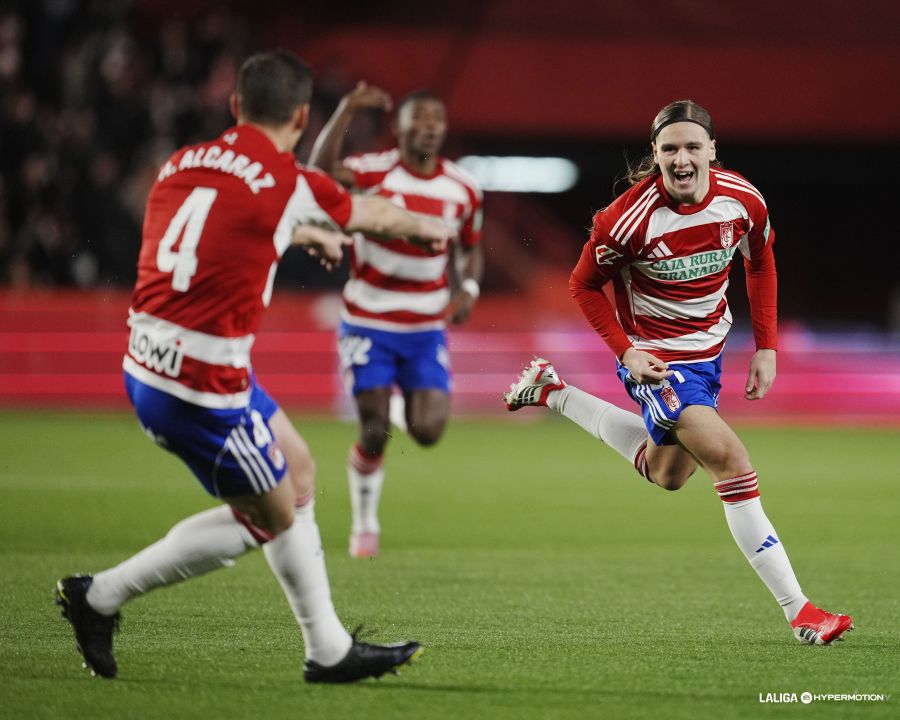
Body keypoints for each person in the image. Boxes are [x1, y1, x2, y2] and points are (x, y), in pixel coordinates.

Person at [54, 49, 453, 682]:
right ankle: (100, 596)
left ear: (236, 105)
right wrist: (426, 229)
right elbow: (374, 213)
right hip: (201, 390)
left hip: (153, 360)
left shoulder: (182, 161)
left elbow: (219, 225)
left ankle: (326, 646)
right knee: (272, 515)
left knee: (298, 469)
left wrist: (301, 232)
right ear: (302, 116)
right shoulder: (288, 180)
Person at [503, 100, 853, 645]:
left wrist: (766, 346)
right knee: (731, 462)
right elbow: (582, 284)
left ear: (712, 149)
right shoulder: (626, 220)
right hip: (658, 362)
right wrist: (627, 354)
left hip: (708, 355)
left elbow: (760, 261)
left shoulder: (743, 200)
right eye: (670, 149)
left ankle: (553, 393)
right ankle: (800, 611)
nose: (682, 159)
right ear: (656, 154)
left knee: (667, 473)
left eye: (692, 147)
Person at [309, 82, 484, 558]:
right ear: (399, 126)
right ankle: (365, 523)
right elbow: (318, 175)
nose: (430, 127)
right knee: (373, 430)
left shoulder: (463, 188)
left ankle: (396, 404)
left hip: (425, 328)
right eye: (419, 117)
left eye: (437, 119)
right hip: (368, 320)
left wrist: (467, 288)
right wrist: (345, 108)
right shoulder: (372, 172)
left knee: (427, 431)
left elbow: (471, 247)